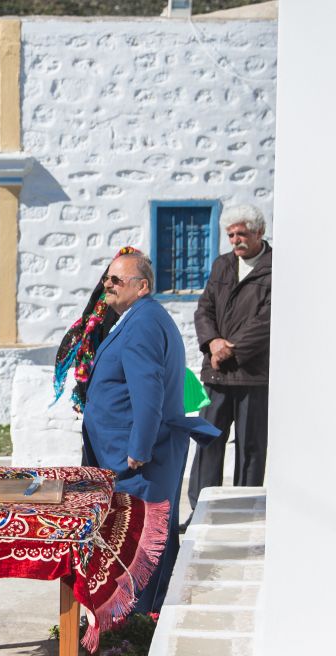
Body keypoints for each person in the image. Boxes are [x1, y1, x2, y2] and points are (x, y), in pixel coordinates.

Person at [81, 251, 219, 613]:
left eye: (117, 281)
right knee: (150, 539)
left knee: (141, 543)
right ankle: (145, 618)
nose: (107, 286)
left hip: (138, 459)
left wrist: (138, 448)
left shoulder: (142, 322)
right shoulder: (141, 316)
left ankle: (137, 622)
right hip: (136, 453)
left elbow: (148, 390)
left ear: (141, 287)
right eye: (107, 279)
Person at [186, 204, 272, 517]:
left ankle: (244, 510)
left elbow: (267, 321)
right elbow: (203, 309)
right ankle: (201, 511)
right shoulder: (222, 265)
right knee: (208, 442)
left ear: (259, 232)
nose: (235, 240)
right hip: (217, 375)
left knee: (250, 448)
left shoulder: (274, 267)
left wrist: (231, 349)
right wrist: (212, 342)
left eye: (242, 233)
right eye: (230, 234)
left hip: (252, 375)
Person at [53, 246, 143, 414]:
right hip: (108, 401)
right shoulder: (110, 311)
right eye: (109, 279)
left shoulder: (132, 310)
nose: (108, 283)